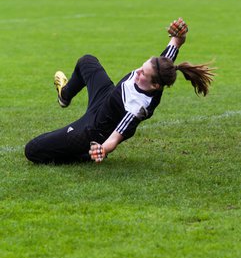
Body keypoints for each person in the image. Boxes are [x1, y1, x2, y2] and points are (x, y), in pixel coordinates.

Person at [25, 18, 215, 165]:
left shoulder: (137, 106)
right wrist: (180, 32)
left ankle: (84, 155)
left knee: (32, 150)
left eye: (142, 74)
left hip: (93, 130)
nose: (138, 72)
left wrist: (103, 149)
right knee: (87, 61)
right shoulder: (162, 67)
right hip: (106, 98)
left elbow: (116, 138)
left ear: (155, 86)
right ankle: (64, 95)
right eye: (142, 67)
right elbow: (176, 42)